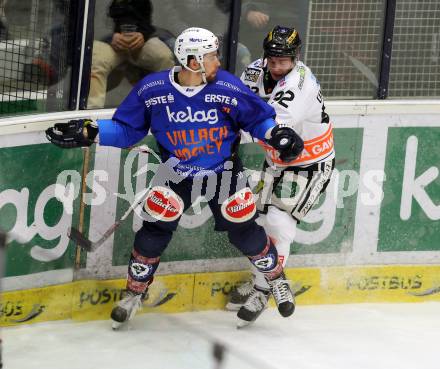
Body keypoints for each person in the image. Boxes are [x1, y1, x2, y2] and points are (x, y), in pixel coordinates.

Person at [46, 27, 305, 329]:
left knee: (242, 226)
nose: (217, 62)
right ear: (193, 61)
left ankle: (275, 278)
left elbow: (258, 119)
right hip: (175, 170)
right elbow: (129, 129)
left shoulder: (227, 87)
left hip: (222, 169)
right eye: (211, 56)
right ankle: (134, 292)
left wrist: (276, 134)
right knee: (156, 226)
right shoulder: (152, 90)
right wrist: (92, 131)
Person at [226, 25, 335, 324]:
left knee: (278, 222)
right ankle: (259, 276)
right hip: (276, 161)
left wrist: (228, 137)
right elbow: (236, 105)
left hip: (310, 162)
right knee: (258, 222)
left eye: (283, 60)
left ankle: (263, 288)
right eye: (272, 59)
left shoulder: (300, 84)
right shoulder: (254, 71)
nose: (276, 66)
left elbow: (265, 125)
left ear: (295, 57)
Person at [87, 0, 174, 109]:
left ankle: (166, 108)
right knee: (94, 57)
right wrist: (114, 38)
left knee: (163, 56)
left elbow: (171, 56)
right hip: (117, 44)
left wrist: (144, 35)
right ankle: (91, 112)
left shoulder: (162, 40)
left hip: (146, 40)